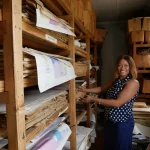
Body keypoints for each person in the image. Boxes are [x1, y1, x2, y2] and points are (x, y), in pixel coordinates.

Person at [78, 55, 139, 150]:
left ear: (131, 67)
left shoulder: (133, 83)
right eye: (119, 65)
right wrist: (86, 89)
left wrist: (93, 99)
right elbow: (102, 88)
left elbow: (117, 103)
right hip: (110, 120)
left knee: (120, 147)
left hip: (122, 123)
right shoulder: (116, 80)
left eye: (126, 65)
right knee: (110, 146)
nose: (122, 68)